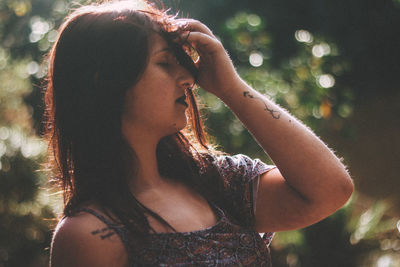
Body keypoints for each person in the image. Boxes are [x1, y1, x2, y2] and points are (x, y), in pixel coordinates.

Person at [43, 0, 354, 266]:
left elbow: (331, 190)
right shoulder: (89, 236)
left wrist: (230, 88)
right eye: (165, 63)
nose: (188, 79)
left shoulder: (217, 183)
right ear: (105, 80)